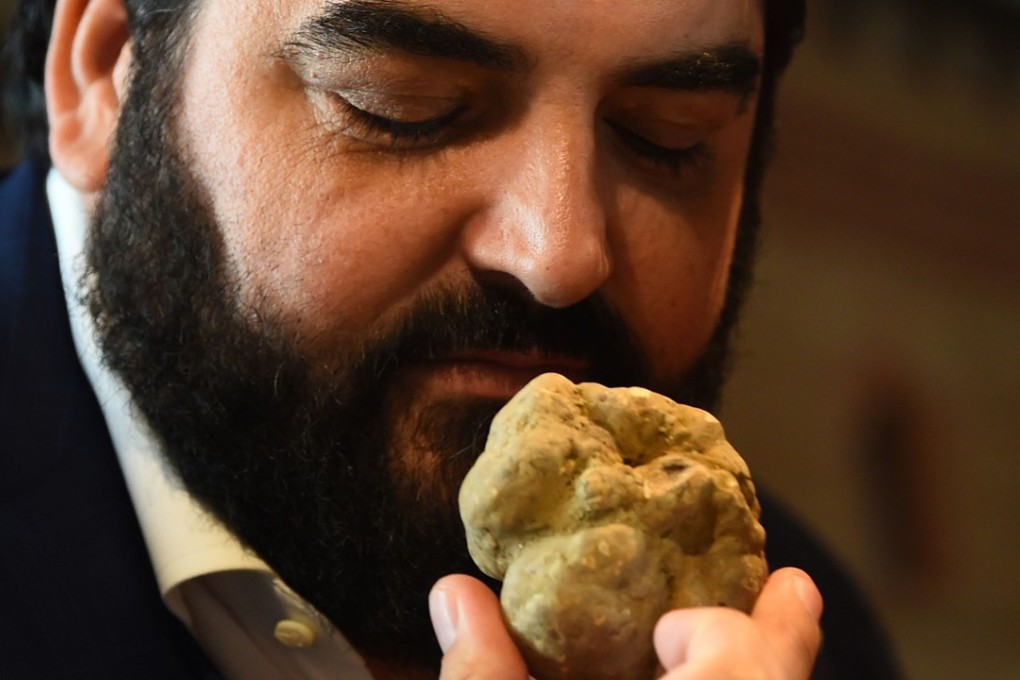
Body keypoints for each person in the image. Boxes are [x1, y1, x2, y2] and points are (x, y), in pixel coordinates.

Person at [0, 0, 901, 678]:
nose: (559, 255)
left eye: (666, 137)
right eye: (403, 107)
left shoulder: (805, 642)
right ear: (107, 73)